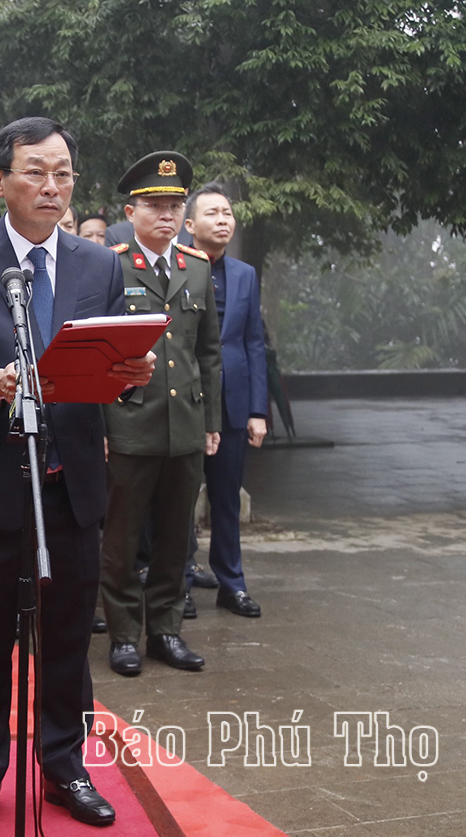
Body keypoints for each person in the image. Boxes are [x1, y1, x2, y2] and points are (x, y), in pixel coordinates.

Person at [0, 117, 154, 832]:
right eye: (35, 172)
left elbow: (110, 364)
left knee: (67, 638)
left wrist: (131, 375)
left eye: (63, 174)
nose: (52, 187)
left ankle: (64, 765)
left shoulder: (96, 263)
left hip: (73, 483)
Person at [99, 151, 222, 678]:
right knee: (123, 538)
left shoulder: (196, 267)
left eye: (174, 205)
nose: (166, 215)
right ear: (132, 211)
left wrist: (211, 420)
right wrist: (101, 425)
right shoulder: (111, 264)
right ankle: (125, 635)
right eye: (154, 205)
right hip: (128, 424)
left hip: (186, 425)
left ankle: (166, 630)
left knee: (177, 536)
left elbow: (208, 353)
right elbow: (98, 350)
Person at [182, 182, 267, 617]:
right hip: (183, 401)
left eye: (228, 213)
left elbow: (254, 342)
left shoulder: (245, 275)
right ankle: (177, 583)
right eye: (212, 213)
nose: (223, 220)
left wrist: (257, 410)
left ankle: (231, 583)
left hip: (232, 403)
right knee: (176, 498)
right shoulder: (175, 266)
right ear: (190, 223)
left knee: (226, 498)